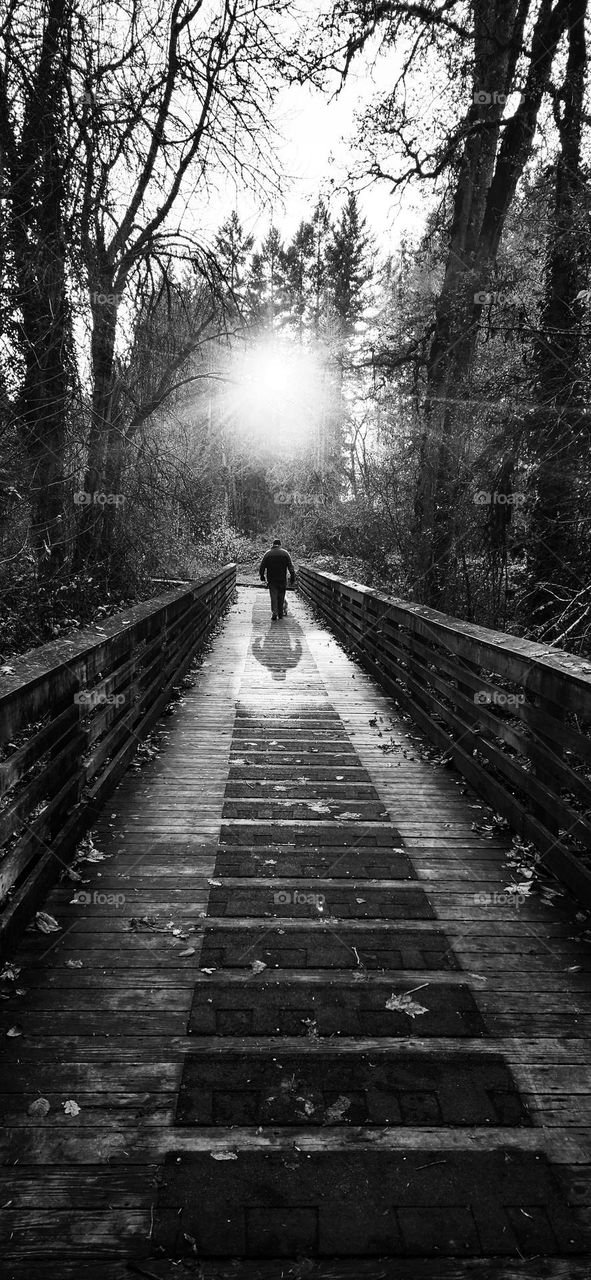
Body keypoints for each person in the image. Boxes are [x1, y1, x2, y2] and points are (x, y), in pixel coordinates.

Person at [259, 538, 296, 620]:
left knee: (274, 596)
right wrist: (292, 576)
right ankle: (280, 614)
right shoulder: (285, 553)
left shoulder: (268, 554)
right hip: (282, 579)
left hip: (272, 579)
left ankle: (274, 613)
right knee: (281, 596)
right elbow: (291, 566)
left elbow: (262, 566)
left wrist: (262, 575)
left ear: (273, 544)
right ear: (280, 545)